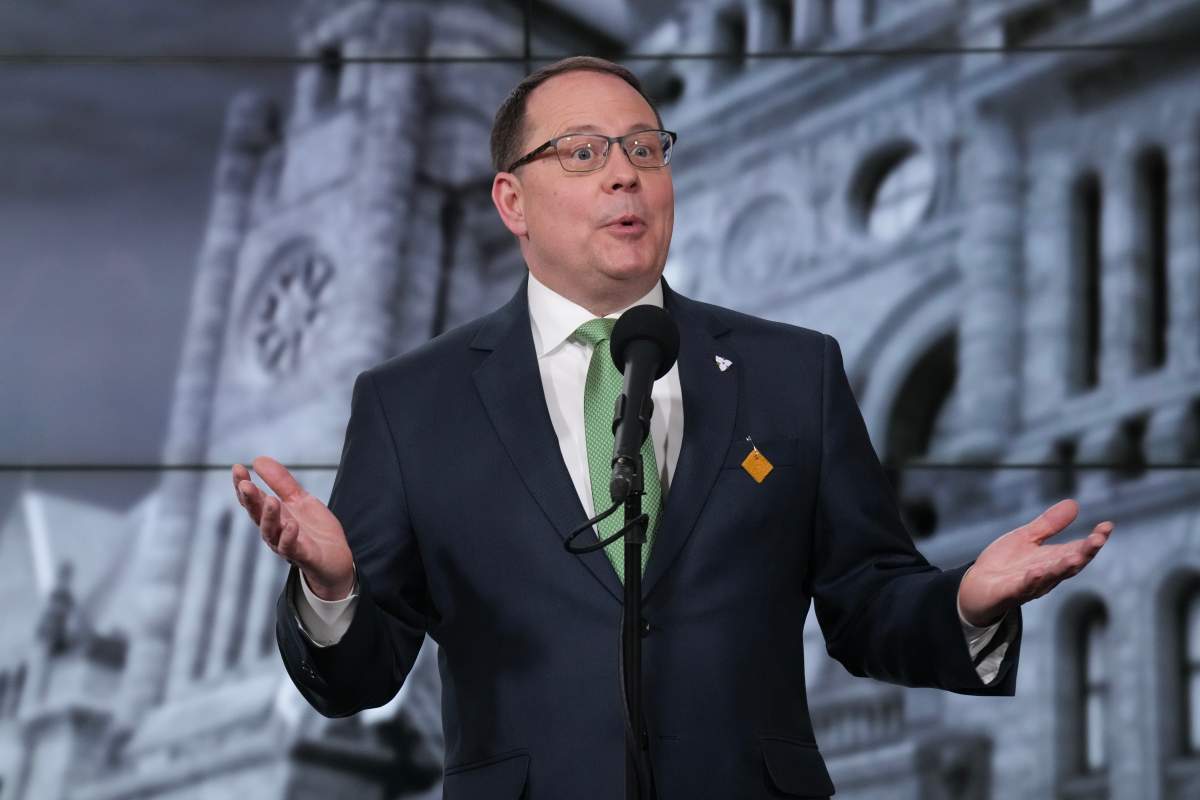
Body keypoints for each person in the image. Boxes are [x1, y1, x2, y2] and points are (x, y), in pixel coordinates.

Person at [231, 56, 1114, 799]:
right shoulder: (411, 402)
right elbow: (358, 678)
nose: (625, 174)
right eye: (583, 153)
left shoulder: (792, 371)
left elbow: (866, 600)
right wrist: (334, 591)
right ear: (514, 201)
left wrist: (963, 602)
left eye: (645, 149)